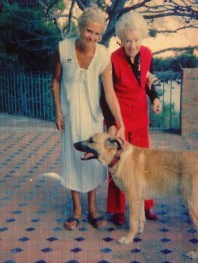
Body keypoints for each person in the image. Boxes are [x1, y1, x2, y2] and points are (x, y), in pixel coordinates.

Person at [51, 5, 125, 231]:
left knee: (93, 159)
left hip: (94, 118)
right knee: (73, 159)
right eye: (88, 31)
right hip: (71, 116)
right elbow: (55, 81)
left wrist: (119, 123)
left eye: (97, 34)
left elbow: (109, 92)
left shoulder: (103, 55)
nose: (92, 37)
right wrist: (58, 112)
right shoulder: (63, 49)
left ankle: (93, 209)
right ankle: (76, 210)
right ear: (80, 28)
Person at [101, 11, 162, 226]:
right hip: (120, 119)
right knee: (117, 163)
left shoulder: (147, 54)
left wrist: (155, 98)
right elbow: (104, 96)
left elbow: (148, 80)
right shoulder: (113, 59)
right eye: (128, 40)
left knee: (144, 164)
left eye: (136, 40)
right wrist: (110, 124)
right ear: (120, 39)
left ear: (142, 38)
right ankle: (117, 209)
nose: (132, 45)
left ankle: (146, 206)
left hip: (140, 116)